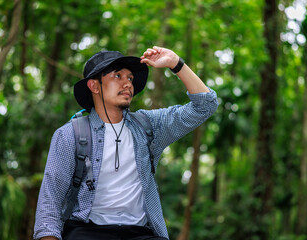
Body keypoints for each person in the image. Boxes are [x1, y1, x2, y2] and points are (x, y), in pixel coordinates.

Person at [33, 46, 219, 240]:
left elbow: (205, 105)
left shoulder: (150, 127)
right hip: (87, 231)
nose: (127, 83)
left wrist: (175, 63)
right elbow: (49, 205)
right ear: (94, 86)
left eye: (130, 78)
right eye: (118, 76)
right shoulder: (70, 134)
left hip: (141, 233)